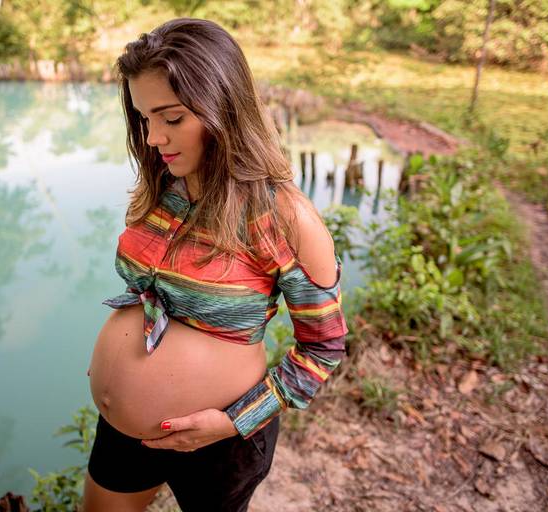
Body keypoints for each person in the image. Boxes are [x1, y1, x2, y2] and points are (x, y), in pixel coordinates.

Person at [82, 18, 348, 512]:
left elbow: (323, 348)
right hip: (123, 434)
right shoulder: (160, 186)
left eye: (172, 118)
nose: (153, 137)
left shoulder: (286, 218)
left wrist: (231, 422)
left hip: (220, 442)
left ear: (222, 108)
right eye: (143, 118)